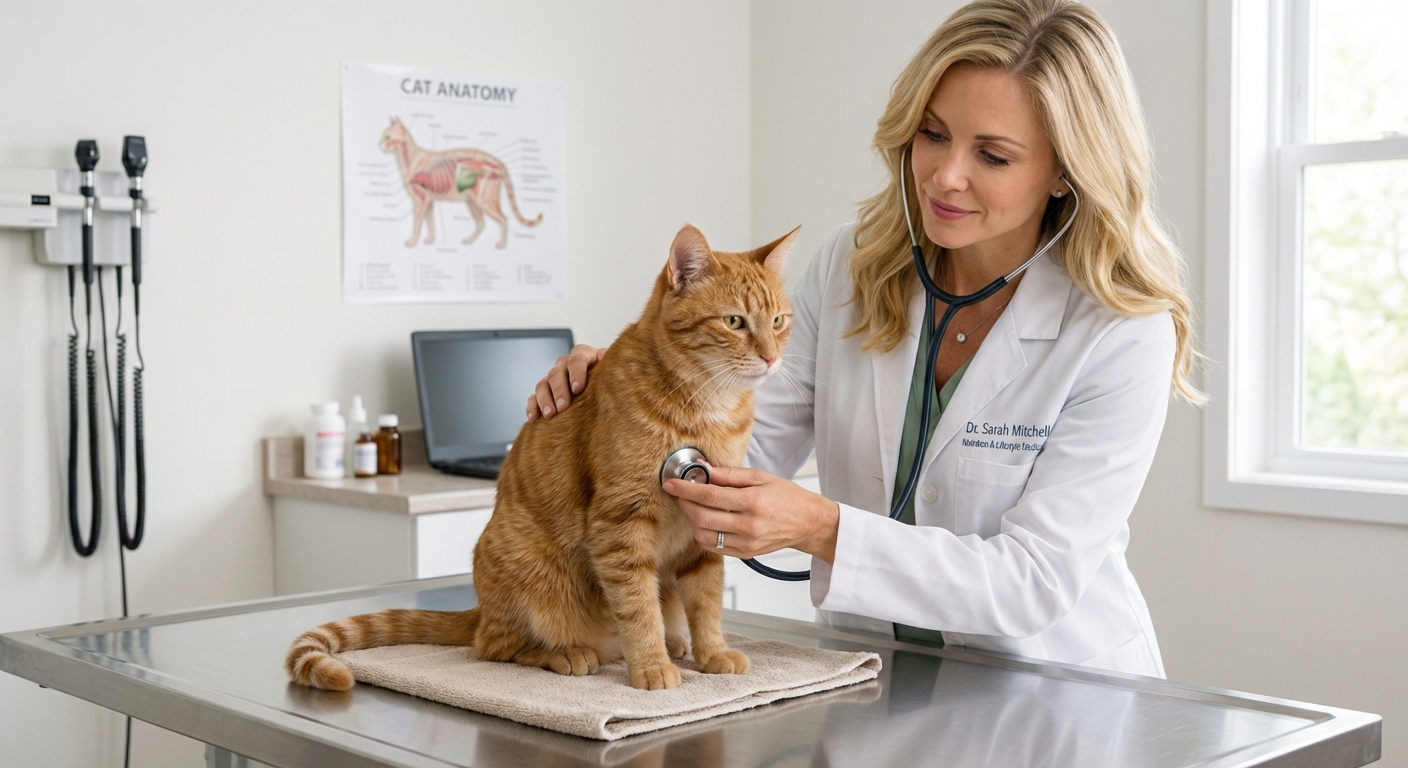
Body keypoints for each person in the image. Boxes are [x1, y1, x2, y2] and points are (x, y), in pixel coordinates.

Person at [526, 0, 1200, 677]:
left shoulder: (1121, 327)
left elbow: (1035, 580)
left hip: (1053, 688)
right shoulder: (852, 268)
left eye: (992, 155)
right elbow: (733, 456)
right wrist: (634, 385)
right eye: (933, 134)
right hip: (872, 668)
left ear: (1065, 170)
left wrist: (823, 529)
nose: (945, 176)